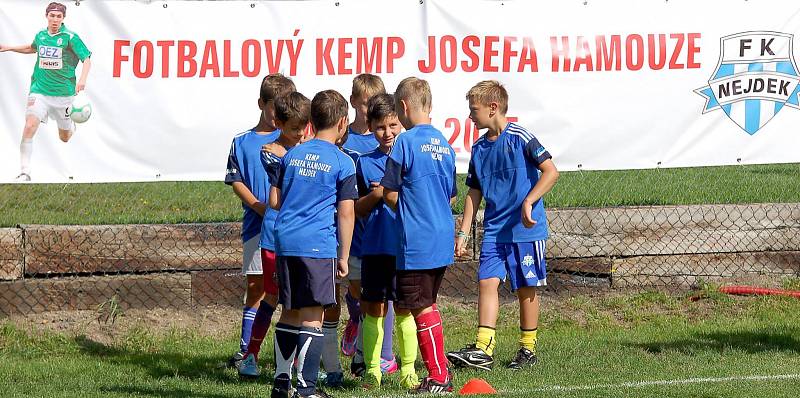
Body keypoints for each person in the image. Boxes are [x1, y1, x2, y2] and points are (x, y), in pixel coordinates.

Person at [446, 80, 559, 371]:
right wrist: (463, 232)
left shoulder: (521, 137)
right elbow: (474, 192)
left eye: (475, 110)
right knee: (486, 280)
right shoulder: (479, 148)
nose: (471, 116)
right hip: (495, 230)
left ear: (493, 108)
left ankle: (527, 348)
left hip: (525, 229)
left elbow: (551, 171)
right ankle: (484, 346)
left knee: (526, 287)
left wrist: (529, 201)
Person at [267, 89, 357, 398]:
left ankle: (282, 383)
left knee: (290, 312)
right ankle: (306, 389)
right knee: (313, 316)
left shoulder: (292, 153)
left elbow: (274, 200)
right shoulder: (342, 162)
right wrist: (343, 255)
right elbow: (346, 213)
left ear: (311, 122)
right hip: (317, 245)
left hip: (285, 241)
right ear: (343, 123)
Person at [380, 77, 457, 394]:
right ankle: (440, 370)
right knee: (428, 303)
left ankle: (438, 376)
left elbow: (388, 192)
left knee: (420, 306)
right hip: (442, 236)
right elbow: (451, 195)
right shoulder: (445, 144)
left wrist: (409, 207)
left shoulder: (406, 143)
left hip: (417, 240)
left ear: (403, 107)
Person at [236, 91, 311, 379]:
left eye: (304, 127)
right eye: (294, 129)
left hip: (302, 236)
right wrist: (298, 152)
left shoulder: (302, 148)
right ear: (278, 123)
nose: (300, 134)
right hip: (274, 236)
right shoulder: (268, 150)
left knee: (300, 302)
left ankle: (294, 363)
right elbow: (288, 184)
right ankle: (250, 354)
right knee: (272, 295)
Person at [224, 73, 295, 369]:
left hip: (290, 229)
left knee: (289, 292)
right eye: (273, 107)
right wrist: (257, 205)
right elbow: (234, 179)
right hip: (258, 227)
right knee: (257, 287)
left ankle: (286, 356)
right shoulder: (242, 142)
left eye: (283, 109)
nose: (277, 115)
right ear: (261, 104)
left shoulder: (293, 141)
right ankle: (245, 352)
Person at [355, 93, 416, 389]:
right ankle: (373, 370)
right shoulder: (364, 163)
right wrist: (376, 195)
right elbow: (355, 208)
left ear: (401, 123)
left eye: (393, 125)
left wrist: (395, 191)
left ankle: (408, 370)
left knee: (405, 309)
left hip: (405, 248)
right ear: (370, 127)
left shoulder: (411, 156)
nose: (388, 133)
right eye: (380, 127)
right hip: (375, 248)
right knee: (374, 309)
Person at [0, 2, 91, 182]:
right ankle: (25, 172)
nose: (55, 19)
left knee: (64, 137)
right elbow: (32, 48)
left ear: (63, 18)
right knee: (29, 126)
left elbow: (86, 58)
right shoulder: (41, 36)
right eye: (52, 16)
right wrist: (9, 47)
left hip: (64, 95)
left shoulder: (70, 37)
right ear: (47, 16)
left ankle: (71, 126)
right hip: (39, 90)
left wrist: (82, 80)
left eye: (59, 16)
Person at [340, 74, 387, 359]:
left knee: (379, 291)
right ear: (354, 101)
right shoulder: (346, 140)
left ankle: (375, 352)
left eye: (374, 103)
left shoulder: (386, 136)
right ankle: (355, 319)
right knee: (355, 285)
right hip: (352, 220)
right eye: (365, 103)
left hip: (380, 223)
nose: (369, 109)